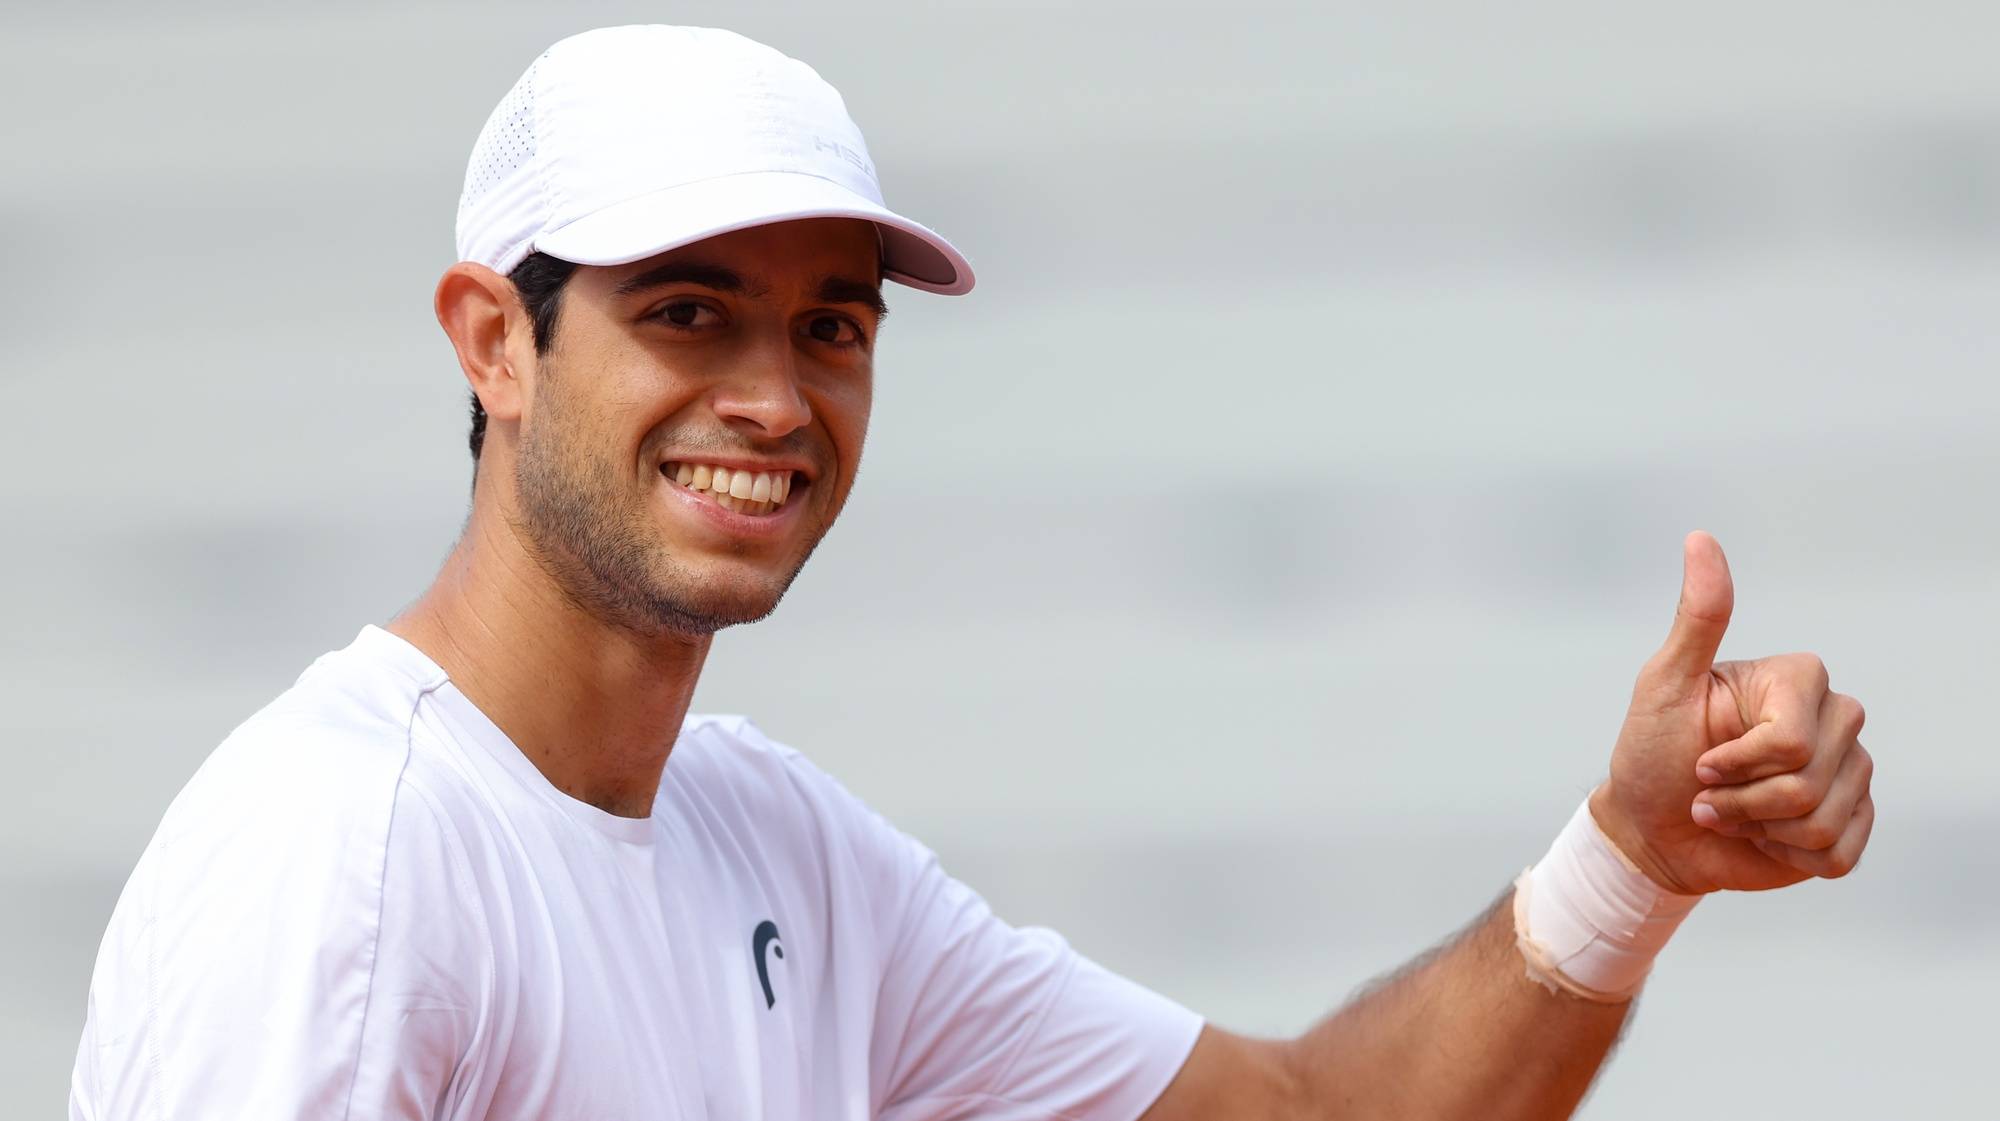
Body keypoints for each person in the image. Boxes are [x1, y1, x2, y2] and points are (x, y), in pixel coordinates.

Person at [69, 24, 1875, 1121]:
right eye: (686, 312)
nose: (772, 400)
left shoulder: (774, 847)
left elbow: (1326, 1111)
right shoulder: (344, 859)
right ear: (494, 342)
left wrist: (1633, 862)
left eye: (829, 326)